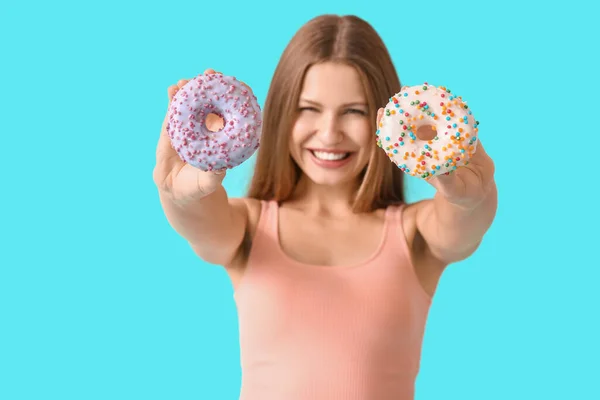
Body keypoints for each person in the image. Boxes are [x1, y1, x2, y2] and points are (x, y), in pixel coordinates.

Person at [154, 14, 497, 400]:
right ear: (283, 114)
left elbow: (463, 223)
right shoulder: (248, 227)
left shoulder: (415, 233)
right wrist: (178, 194)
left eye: (355, 111)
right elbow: (199, 219)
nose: (330, 133)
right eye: (308, 109)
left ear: (385, 120)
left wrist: (471, 197)